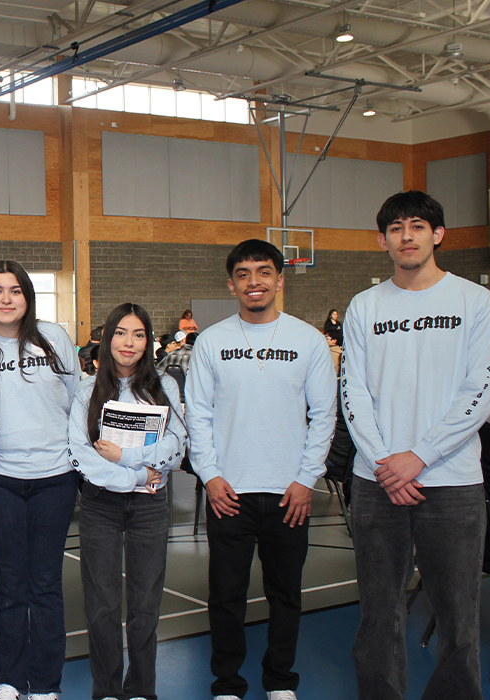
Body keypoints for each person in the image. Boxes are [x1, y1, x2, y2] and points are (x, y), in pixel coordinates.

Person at [342, 191, 490, 700]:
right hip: (377, 480)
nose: (405, 236)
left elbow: (480, 392)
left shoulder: (473, 302)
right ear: (383, 240)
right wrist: (386, 462)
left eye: (416, 226)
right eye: (395, 228)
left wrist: (421, 457)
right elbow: (354, 391)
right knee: (378, 612)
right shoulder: (364, 306)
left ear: (438, 234)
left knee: (458, 614)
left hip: (451, 483)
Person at [186, 239, 336, 700]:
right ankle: (227, 683)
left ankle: (280, 681)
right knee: (226, 596)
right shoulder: (211, 341)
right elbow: (199, 415)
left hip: (288, 493)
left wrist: (305, 478)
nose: (256, 282)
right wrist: (210, 475)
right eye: (245, 274)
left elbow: (324, 414)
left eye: (264, 272)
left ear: (279, 279)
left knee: (286, 594)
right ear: (232, 284)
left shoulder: (307, 339)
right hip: (228, 491)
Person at [0, 260, 79, 700]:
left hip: (55, 479)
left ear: (27, 297)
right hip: (0, 480)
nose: (6, 299)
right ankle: (9, 679)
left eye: (15, 290)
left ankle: (47, 683)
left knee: (46, 583)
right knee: (11, 583)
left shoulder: (54, 339)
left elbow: (74, 400)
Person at [69, 303, 188, 700]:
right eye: (121, 333)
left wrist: (128, 458)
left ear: (149, 341)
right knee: (102, 606)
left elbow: (176, 446)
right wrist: (137, 474)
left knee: (144, 605)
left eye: (139, 334)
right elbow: (82, 454)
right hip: (101, 505)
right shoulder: (87, 390)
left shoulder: (164, 386)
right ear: (107, 337)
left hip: (150, 506)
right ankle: (105, 689)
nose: (129, 342)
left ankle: (141, 689)